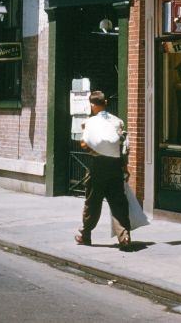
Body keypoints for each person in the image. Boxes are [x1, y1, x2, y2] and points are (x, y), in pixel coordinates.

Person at [75, 90, 131, 248]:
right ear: (105, 103)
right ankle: (124, 237)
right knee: (118, 202)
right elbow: (123, 148)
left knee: (93, 202)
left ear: (92, 105)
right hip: (115, 166)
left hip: (97, 166)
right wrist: (125, 168)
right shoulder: (118, 121)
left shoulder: (90, 122)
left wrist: (93, 148)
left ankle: (85, 235)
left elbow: (84, 143)